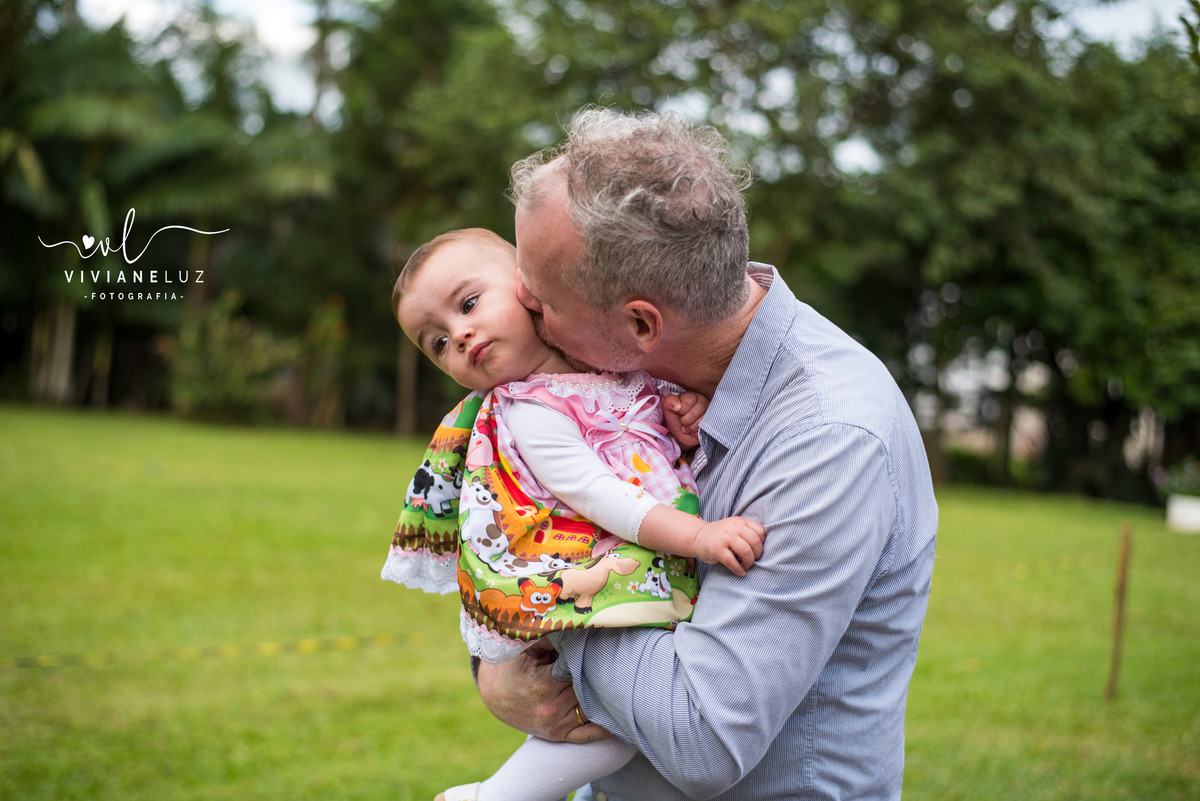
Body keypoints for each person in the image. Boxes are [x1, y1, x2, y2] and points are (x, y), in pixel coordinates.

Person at [473, 108, 939, 800]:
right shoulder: (623, 382)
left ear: (639, 322)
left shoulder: (830, 439)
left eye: (540, 302)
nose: (520, 311)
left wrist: (546, 614)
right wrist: (491, 667)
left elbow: (703, 733)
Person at [389, 227, 766, 801]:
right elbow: (598, 493)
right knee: (626, 721)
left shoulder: (602, 365)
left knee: (624, 719)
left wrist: (682, 418)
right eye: (436, 342)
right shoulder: (531, 410)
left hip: (626, 575)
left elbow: (641, 443)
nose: (459, 336)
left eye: (468, 305)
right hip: (586, 583)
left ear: (528, 285)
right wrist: (699, 536)